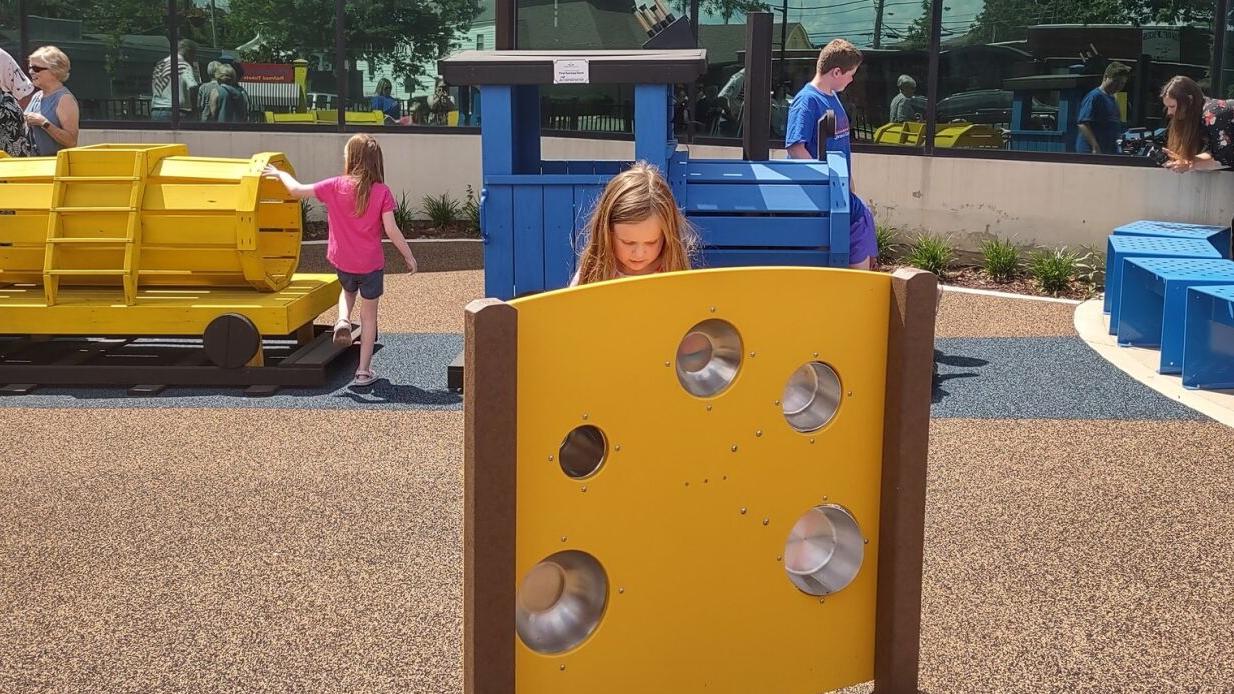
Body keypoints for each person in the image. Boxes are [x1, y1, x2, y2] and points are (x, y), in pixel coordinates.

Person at [263, 134, 418, 386]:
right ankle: (363, 372)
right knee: (369, 318)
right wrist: (408, 255)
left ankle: (342, 320)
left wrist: (279, 173)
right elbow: (391, 229)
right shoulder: (381, 192)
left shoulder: (334, 185)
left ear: (351, 159)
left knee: (346, 291)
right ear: (376, 162)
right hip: (370, 264)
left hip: (343, 260)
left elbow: (295, 190)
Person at [785, 38, 877, 270]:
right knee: (860, 219)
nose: (852, 79)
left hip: (838, 187)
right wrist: (827, 180)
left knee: (861, 217)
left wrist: (848, 180)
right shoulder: (806, 101)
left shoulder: (832, 96)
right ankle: (859, 287)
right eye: (850, 74)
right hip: (822, 191)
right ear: (836, 71)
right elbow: (796, 148)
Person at [570, 161, 698, 286]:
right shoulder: (593, 272)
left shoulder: (674, 272)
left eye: (651, 242)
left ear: (667, 236)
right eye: (628, 242)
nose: (639, 254)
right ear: (607, 233)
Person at [1159, 75, 1234, 173]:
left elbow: (1225, 158)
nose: (1169, 112)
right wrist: (1187, 161)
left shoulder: (1214, 114)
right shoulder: (1204, 114)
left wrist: (1190, 163)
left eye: (1172, 106)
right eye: (1167, 107)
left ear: (1189, 100)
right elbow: (1216, 152)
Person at [23, 46, 79, 156]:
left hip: (53, 167)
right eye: (30, 67)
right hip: (32, 165)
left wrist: (43, 123)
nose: (31, 72)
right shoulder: (37, 96)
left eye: (36, 69)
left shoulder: (64, 99)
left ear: (55, 71)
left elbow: (71, 141)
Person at [1076, 62, 1131, 154]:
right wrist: (1094, 146)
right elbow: (1083, 124)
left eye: (1122, 83)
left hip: (1107, 150)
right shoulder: (1094, 97)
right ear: (1106, 77)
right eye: (1115, 81)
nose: (1118, 86)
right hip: (1092, 151)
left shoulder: (1113, 98)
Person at [151, 39, 200, 121]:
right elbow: (193, 87)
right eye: (194, 55)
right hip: (177, 111)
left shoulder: (160, 64)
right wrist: (194, 110)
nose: (194, 58)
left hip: (156, 110)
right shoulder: (184, 65)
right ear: (188, 52)